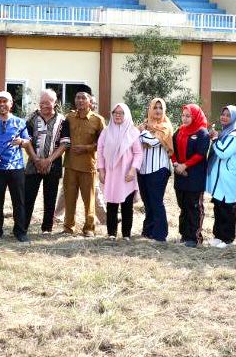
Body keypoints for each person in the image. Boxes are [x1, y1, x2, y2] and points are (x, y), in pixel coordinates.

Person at [0, 91, 32, 242]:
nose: (2, 104)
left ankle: (20, 231)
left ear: (11, 104)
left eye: (5, 101)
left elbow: (28, 141)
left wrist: (21, 142)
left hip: (16, 168)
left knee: (19, 201)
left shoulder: (20, 122)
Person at [60, 90, 107, 236]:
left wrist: (87, 148)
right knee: (69, 198)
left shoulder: (98, 120)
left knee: (89, 200)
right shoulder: (69, 117)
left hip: (88, 166)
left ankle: (89, 228)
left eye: (83, 98)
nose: (80, 100)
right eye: (77, 97)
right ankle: (68, 227)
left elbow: (103, 143)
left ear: (90, 102)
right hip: (70, 165)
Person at [96, 103, 143, 239]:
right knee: (111, 203)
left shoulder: (133, 132)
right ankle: (111, 233)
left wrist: (133, 170)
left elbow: (138, 153)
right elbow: (100, 151)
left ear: (126, 115)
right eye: (115, 112)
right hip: (111, 173)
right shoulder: (106, 131)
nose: (117, 115)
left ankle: (126, 234)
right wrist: (101, 170)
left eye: (121, 113)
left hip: (126, 173)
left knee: (127, 205)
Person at [24, 89, 66, 234]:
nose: (44, 106)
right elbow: (26, 141)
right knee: (28, 196)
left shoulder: (62, 120)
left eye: (48, 103)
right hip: (32, 164)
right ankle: (23, 227)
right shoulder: (31, 119)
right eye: (42, 103)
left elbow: (64, 144)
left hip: (53, 165)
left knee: (50, 197)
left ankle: (47, 228)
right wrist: (36, 159)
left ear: (55, 103)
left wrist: (48, 160)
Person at [172, 104, 210, 247]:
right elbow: (172, 149)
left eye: (189, 116)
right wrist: (176, 164)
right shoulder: (179, 131)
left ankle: (194, 238)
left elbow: (200, 154)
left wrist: (185, 166)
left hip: (194, 176)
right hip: (180, 175)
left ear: (195, 116)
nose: (185, 118)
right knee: (183, 206)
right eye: (184, 115)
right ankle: (184, 235)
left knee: (193, 207)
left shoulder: (202, 133)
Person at [137, 97, 174, 243]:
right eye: (155, 107)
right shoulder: (146, 124)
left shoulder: (165, 126)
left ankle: (160, 234)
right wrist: (143, 134)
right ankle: (148, 231)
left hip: (159, 169)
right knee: (147, 202)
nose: (158, 111)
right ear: (150, 109)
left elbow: (152, 142)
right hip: (143, 169)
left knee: (156, 201)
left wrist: (142, 133)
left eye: (160, 108)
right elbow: (137, 140)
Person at [207, 105, 236, 248]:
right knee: (218, 205)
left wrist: (215, 139)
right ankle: (218, 236)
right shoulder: (224, 133)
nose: (224, 117)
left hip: (228, 177)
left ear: (234, 118)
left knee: (227, 206)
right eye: (223, 114)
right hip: (220, 177)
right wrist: (216, 138)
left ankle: (228, 238)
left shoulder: (234, 136)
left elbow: (223, 152)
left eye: (228, 115)